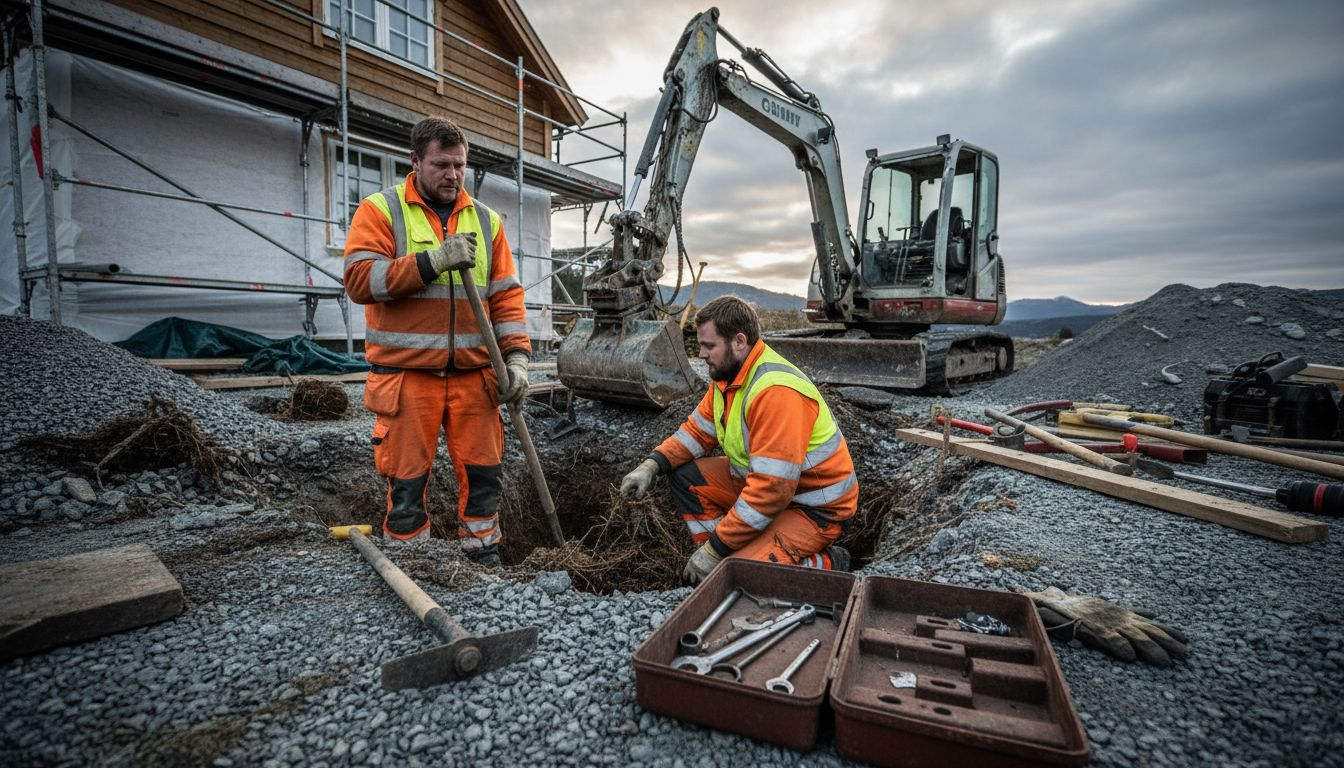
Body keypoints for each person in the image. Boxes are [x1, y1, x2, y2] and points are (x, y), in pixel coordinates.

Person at [343, 117, 530, 567]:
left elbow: (505, 296)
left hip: (475, 376)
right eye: (441, 165)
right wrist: (431, 262)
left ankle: (483, 556)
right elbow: (359, 279)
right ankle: (414, 561)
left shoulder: (486, 222)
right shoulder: (381, 210)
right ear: (416, 162)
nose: (452, 175)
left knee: (485, 474)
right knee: (406, 480)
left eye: (459, 165)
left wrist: (519, 359)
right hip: (408, 377)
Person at [619, 296, 856, 584]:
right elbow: (695, 432)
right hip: (769, 487)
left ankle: (828, 562)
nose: (702, 353)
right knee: (686, 476)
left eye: (709, 346)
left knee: (741, 578)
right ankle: (720, 558)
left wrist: (716, 551)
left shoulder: (775, 391)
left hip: (813, 508)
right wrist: (651, 466)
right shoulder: (727, 379)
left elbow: (771, 491)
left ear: (739, 341)